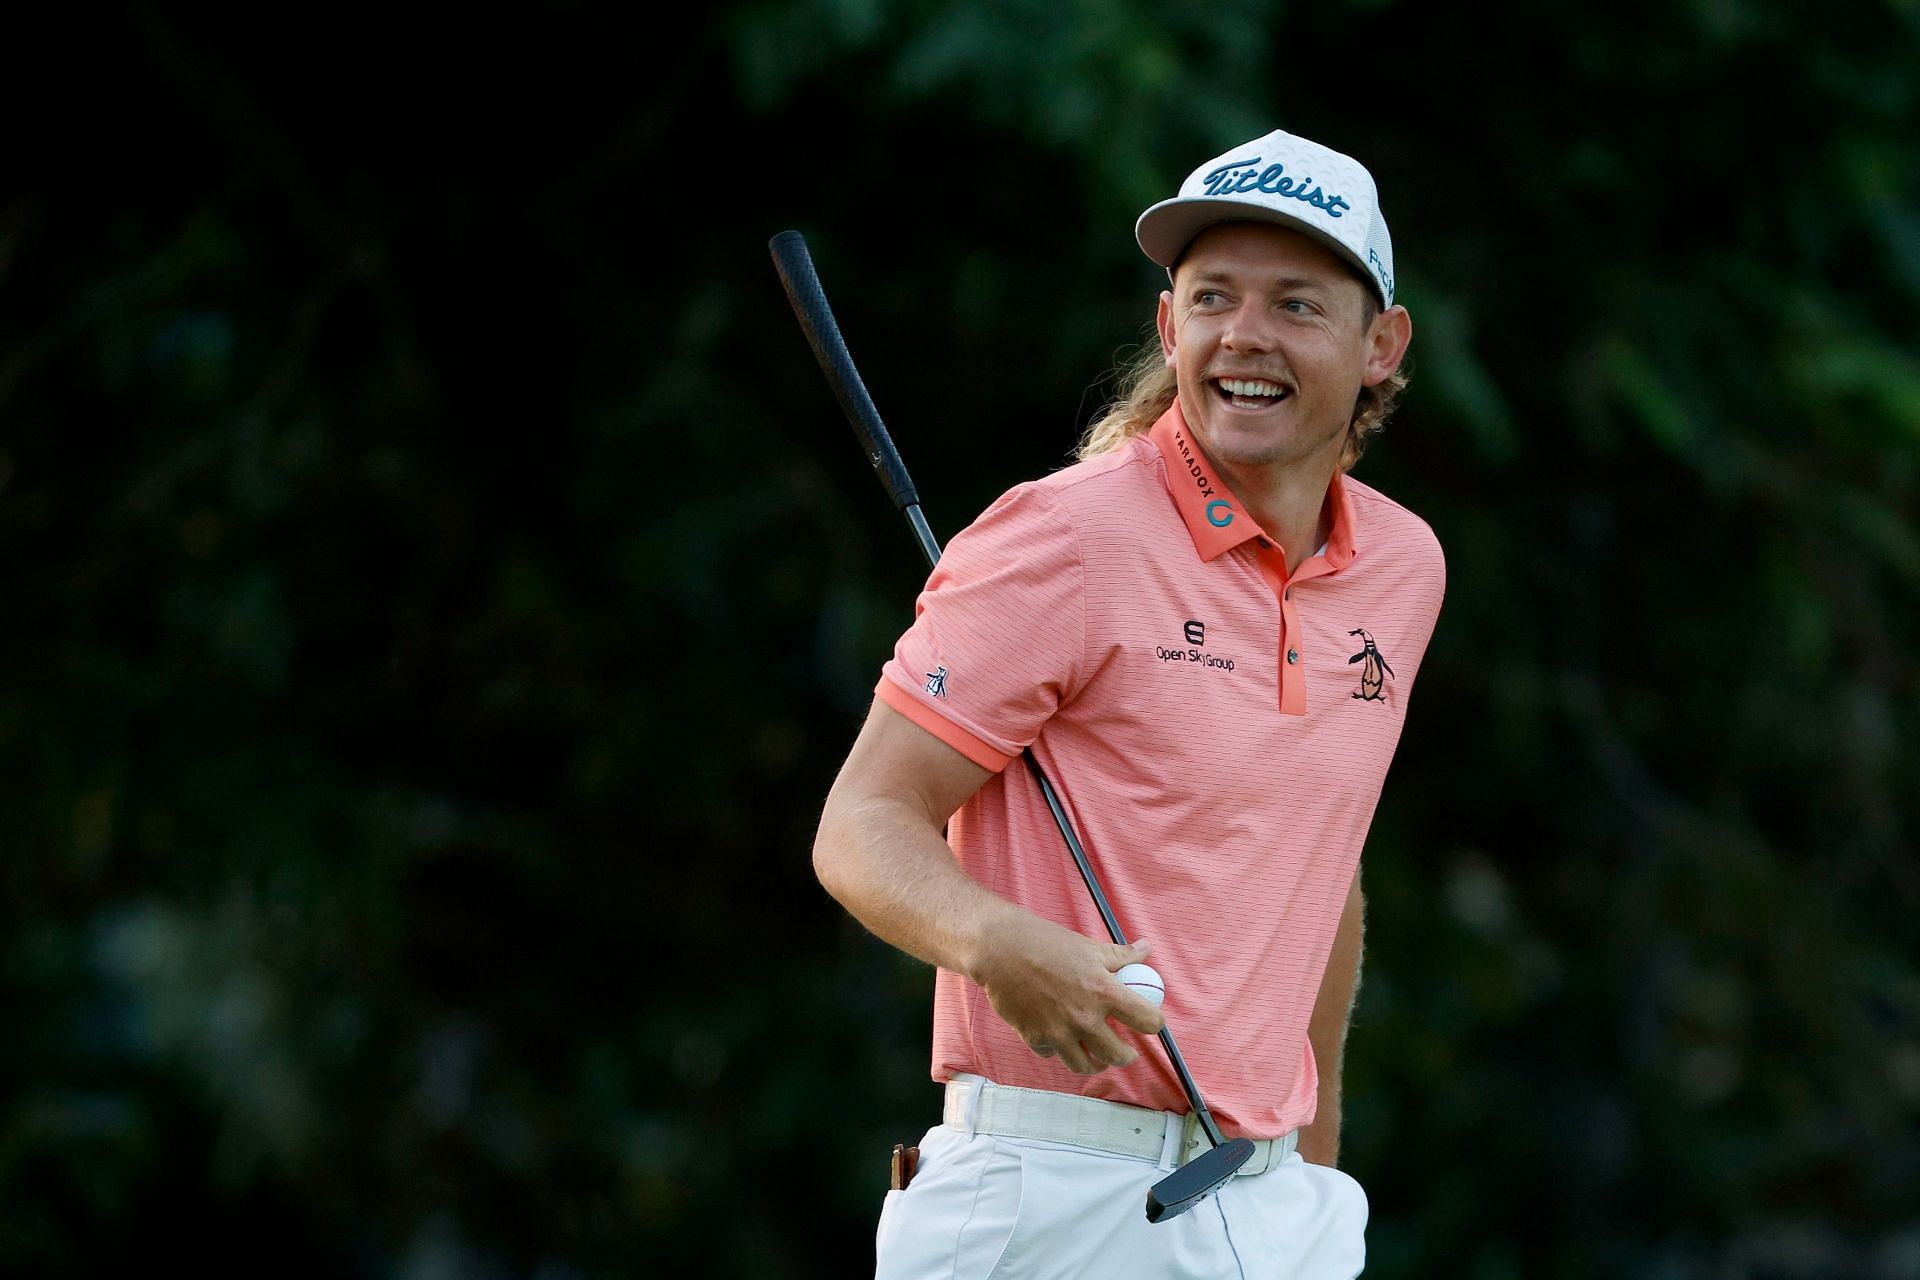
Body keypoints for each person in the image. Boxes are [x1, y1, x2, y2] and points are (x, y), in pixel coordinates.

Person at [812, 125, 1443, 1279]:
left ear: (1381, 346)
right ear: (1170, 326)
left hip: (1273, 1201)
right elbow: (860, 823)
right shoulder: (1065, 535)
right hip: (1046, 1195)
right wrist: (998, 941)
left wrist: (1317, 1162)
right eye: (1213, 297)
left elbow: (1319, 862)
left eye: (1297, 304)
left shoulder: (1403, 568)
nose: (1245, 335)